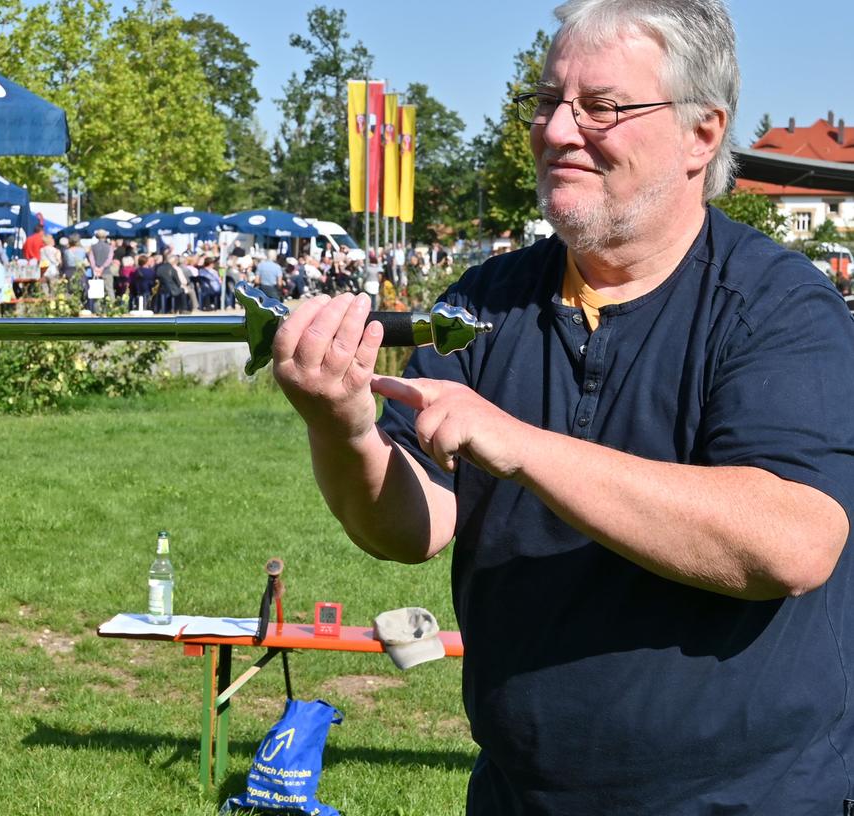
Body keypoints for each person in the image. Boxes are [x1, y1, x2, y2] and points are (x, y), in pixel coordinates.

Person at [269, 1, 854, 812]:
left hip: (743, 798)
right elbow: (409, 528)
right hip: (521, 794)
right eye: (546, 102)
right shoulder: (487, 301)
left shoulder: (776, 308)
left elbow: (790, 544)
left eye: (602, 106)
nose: (556, 130)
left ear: (701, 133)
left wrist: (521, 446)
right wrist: (339, 425)